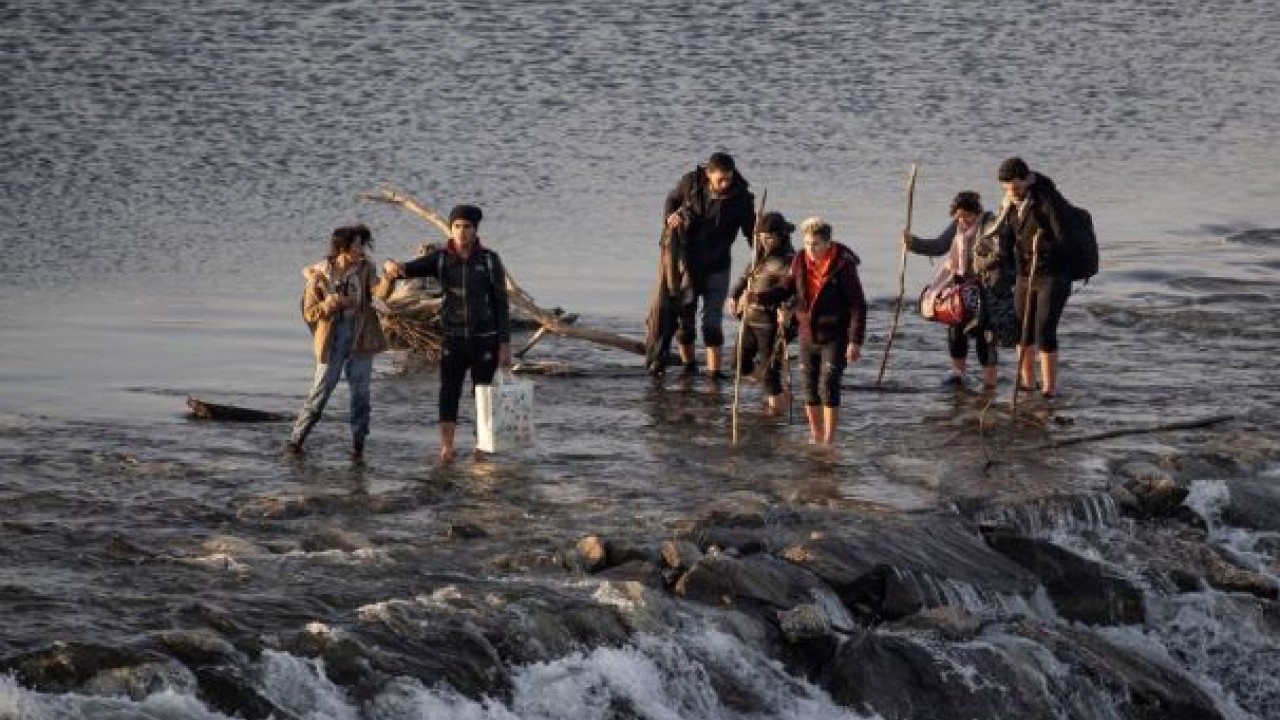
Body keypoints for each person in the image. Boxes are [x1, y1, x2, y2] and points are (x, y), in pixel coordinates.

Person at [382, 205, 511, 462]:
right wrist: (391, 266)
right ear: (450, 229)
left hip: (484, 339)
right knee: (448, 392)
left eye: (467, 227)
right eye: (457, 227)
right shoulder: (440, 259)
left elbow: (501, 303)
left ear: (475, 231)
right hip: (452, 339)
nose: (462, 232)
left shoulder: (489, 260)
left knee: (483, 394)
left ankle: (481, 446)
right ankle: (447, 447)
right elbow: (405, 269)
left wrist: (504, 344)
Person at [287, 225, 392, 460]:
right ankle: (296, 442)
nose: (361, 250)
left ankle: (358, 448)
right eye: (356, 245)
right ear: (342, 248)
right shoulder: (320, 274)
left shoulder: (366, 268)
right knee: (320, 392)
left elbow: (380, 293)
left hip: (361, 338)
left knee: (361, 396)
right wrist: (331, 304)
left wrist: (389, 277)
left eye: (362, 244)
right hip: (332, 339)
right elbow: (310, 313)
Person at [769, 217, 867, 445]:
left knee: (829, 383)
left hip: (835, 334)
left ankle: (830, 439)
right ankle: (816, 435)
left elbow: (857, 305)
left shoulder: (842, 265)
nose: (810, 249)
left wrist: (855, 341)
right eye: (806, 243)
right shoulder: (799, 261)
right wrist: (756, 297)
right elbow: (785, 289)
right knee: (809, 387)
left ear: (827, 243)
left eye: (815, 244)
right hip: (807, 333)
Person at [902, 191, 1011, 391]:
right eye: (958, 217)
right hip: (961, 289)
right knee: (956, 332)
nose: (963, 221)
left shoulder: (991, 225)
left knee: (984, 339)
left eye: (967, 216)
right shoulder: (958, 227)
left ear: (976, 212)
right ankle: (958, 375)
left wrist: (982, 265)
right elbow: (938, 246)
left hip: (987, 291)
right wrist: (913, 243)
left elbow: (1001, 256)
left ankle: (990, 385)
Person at [662, 152, 756, 380]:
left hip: (718, 265)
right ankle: (689, 368)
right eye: (720, 180)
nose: (725, 184)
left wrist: (761, 258)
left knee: (712, 323)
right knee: (685, 320)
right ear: (708, 174)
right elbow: (671, 199)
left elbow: (752, 234)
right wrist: (670, 217)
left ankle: (714, 375)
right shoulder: (690, 184)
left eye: (729, 179)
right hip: (687, 263)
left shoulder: (741, 199)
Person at [996, 157, 1072, 398]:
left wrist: (1044, 248)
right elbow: (1006, 240)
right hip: (1023, 275)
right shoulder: (1008, 204)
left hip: (1052, 275)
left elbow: (1064, 239)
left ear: (1026, 180)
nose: (1012, 192)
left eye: (1016, 187)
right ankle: (1028, 383)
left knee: (1044, 329)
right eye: (1006, 188)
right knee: (1022, 330)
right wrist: (1004, 269)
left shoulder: (1047, 201)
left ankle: (1049, 389)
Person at [726, 211, 796, 415]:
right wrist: (733, 296)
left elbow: (790, 291)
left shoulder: (789, 260)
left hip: (771, 323)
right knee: (738, 363)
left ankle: (775, 416)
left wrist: (787, 311)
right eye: (761, 238)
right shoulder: (758, 255)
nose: (764, 242)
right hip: (749, 319)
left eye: (769, 238)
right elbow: (745, 277)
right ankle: (780, 393)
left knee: (770, 373)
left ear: (781, 236)